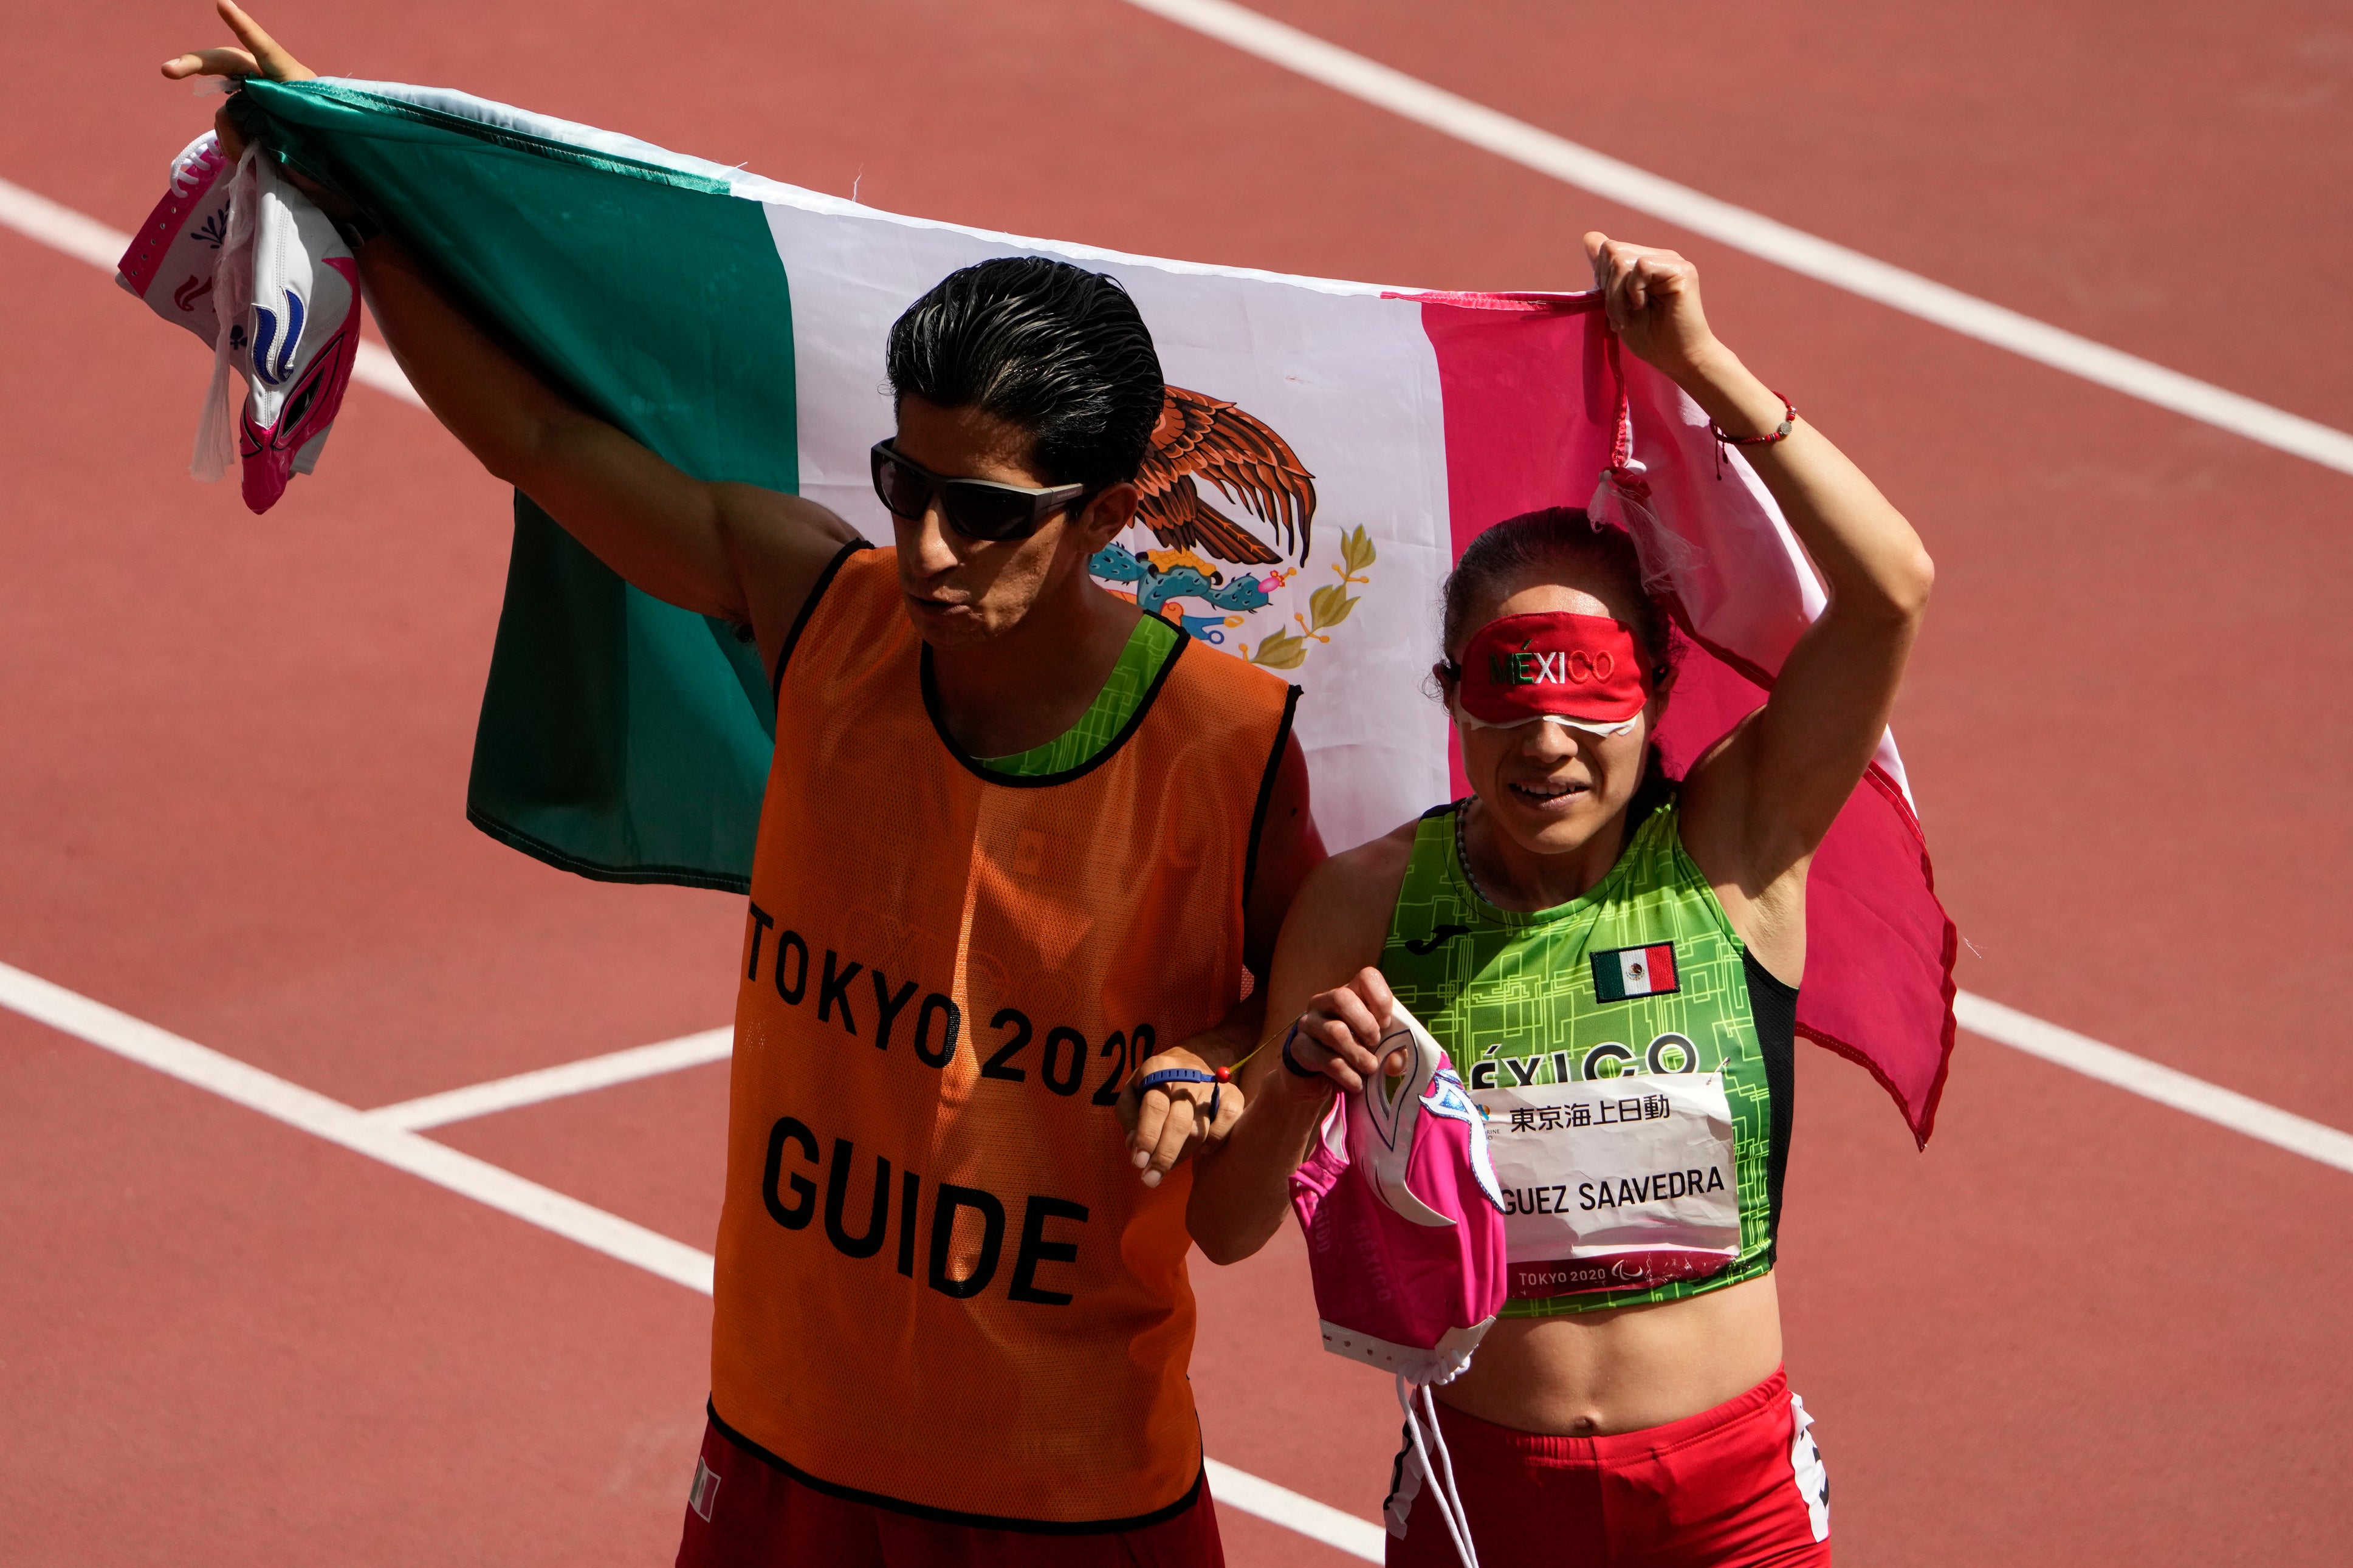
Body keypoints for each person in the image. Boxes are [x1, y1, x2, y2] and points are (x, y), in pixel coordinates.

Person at [163, 5, 1325, 1563]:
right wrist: (359, 181)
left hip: (1070, 1480)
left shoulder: (1233, 746)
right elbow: (539, 439)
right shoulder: (820, 609)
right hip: (790, 1433)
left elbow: (1291, 1005)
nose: (927, 549)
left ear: (1108, 514)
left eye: (985, 513)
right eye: (906, 485)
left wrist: (1224, 1055)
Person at [1190, 233, 1934, 1565]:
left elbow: (1890, 591)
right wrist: (1296, 1080)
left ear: (1656, 697)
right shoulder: (1367, 903)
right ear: (1451, 699)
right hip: (1486, 1497)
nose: (1549, 742)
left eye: (1591, 694)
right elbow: (1226, 1225)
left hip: (1731, 1503)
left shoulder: (1737, 846)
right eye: (1507, 691)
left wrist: (1697, 364)